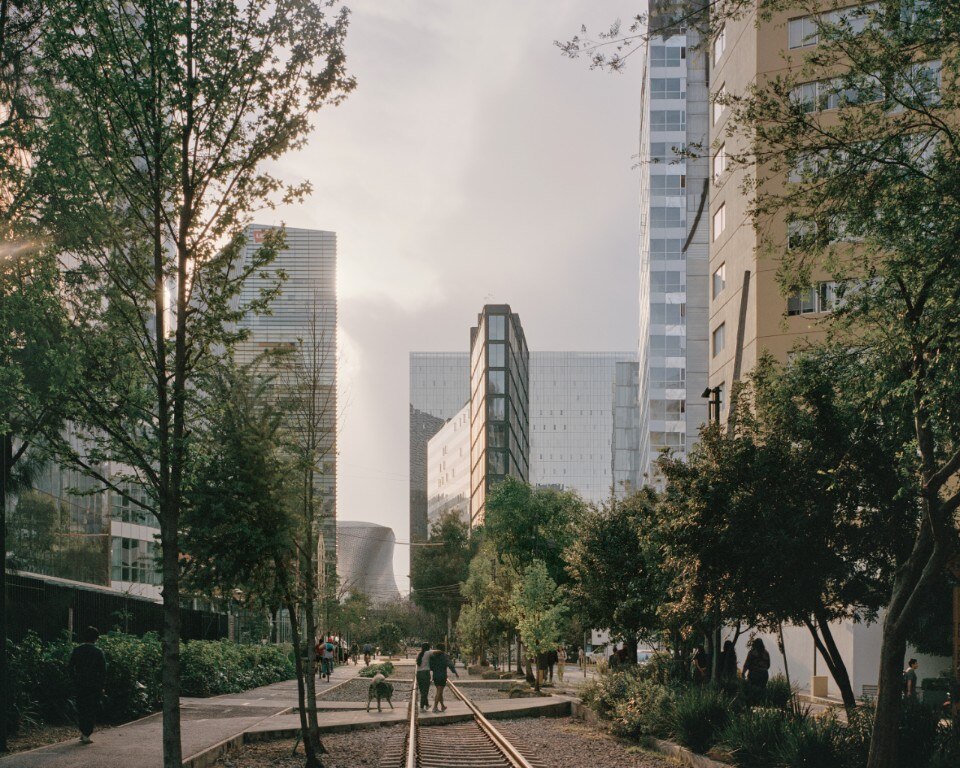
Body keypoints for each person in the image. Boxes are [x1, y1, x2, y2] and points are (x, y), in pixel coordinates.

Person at [68, 626, 107, 744]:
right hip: (94, 685)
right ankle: (86, 734)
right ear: (96, 638)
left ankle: (83, 731)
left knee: (81, 707)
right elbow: (103, 671)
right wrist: (102, 686)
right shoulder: (98, 652)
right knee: (91, 709)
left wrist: (74, 679)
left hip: (80, 683)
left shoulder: (77, 650)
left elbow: (70, 667)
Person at [429, 643, 458, 713]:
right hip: (442, 676)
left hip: (435, 676)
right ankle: (435, 707)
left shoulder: (433, 656)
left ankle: (442, 706)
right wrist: (455, 672)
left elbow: (430, 666)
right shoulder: (445, 656)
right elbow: (450, 664)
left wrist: (435, 669)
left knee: (440, 692)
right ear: (443, 649)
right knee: (439, 691)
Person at [415, 642, 433, 711]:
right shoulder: (428, 653)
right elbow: (437, 652)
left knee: (422, 691)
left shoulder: (419, 654)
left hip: (419, 673)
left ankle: (427, 705)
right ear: (428, 647)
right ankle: (422, 707)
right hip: (425, 673)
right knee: (425, 691)